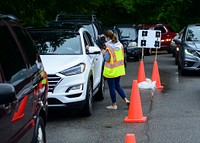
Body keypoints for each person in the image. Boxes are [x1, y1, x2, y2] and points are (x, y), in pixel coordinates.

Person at [102, 30, 130, 110]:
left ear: (107, 37)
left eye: (105, 37)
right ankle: (126, 100)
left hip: (111, 70)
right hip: (119, 69)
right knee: (117, 85)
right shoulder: (120, 45)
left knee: (111, 87)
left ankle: (114, 104)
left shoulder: (107, 45)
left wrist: (103, 53)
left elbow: (107, 59)